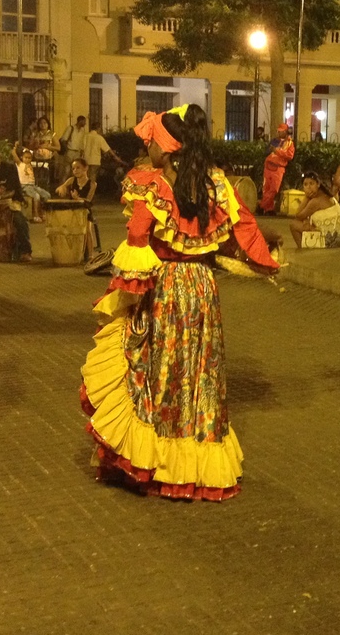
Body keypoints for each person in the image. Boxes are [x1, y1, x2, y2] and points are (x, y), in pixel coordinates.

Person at [80, 104, 279, 501]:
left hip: (165, 288)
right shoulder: (217, 184)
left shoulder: (151, 187)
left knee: (158, 376)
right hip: (202, 290)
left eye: (151, 140)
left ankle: (155, 462)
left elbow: (136, 240)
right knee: (199, 374)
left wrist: (121, 296)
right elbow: (246, 228)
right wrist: (268, 265)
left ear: (167, 149)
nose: (146, 146)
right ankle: (198, 464)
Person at [56, 157, 100, 256]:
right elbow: (60, 188)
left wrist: (78, 198)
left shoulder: (92, 184)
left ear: (85, 168)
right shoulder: (71, 180)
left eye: (78, 168)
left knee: (87, 230)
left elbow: (89, 200)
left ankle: (91, 255)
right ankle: (70, 252)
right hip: (72, 210)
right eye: (73, 168)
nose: (75, 170)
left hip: (85, 210)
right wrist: (62, 188)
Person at [290, 172, 340, 248]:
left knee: (293, 225)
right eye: (305, 185)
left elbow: (298, 215)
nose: (308, 187)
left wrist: (306, 197)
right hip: (339, 240)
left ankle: (302, 249)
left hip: (328, 242)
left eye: (311, 184)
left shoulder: (315, 201)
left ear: (318, 184)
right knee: (304, 223)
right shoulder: (327, 196)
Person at [259, 124, 294, 213]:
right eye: (278, 131)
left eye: (281, 131)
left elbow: (289, 156)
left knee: (274, 189)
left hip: (278, 168)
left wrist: (277, 151)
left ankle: (262, 206)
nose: (279, 133)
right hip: (268, 166)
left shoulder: (289, 143)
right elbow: (266, 151)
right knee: (266, 188)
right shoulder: (274, 141)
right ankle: (269, 209)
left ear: (285, 132)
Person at [83, 119, 127, 183]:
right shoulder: (99, 138)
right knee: (93, 177)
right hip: (95, 160)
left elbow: (82, 148)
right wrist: (117, 158)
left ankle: (85, 191)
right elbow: (108, 149)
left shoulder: (86, 136)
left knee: (86, 176)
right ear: (98, 128)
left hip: (86, 160)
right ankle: (91, 192)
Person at [17, 148, 52, 222]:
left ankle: (43, 212)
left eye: (29, 158)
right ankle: (36, 215)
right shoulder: (20, 164)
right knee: (36, 196)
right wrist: (15, 148)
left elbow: (43, 164)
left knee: (47, 195)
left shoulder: (31, 164)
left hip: (33, 186)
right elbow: (14, 156)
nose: (27, 159)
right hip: (25, 186)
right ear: (22, 158)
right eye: (25, 158)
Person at [59, 114, 88, 180]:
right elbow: (63, 140)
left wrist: (82, 151)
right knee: (66, 171)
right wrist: (66, 149)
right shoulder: (71, 128)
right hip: (70, 151)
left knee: (75, 171)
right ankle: (63, 186)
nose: (85, 123)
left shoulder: (82, 131)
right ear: (80, 121)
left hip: (77, 152)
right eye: (84, 121)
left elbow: (82, 142)